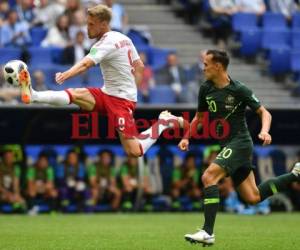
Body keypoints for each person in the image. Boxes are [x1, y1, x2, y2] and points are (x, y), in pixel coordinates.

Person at [18, 4, 182, 158]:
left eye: (91, 24)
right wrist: (133, 89)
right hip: (107, 93)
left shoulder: (106, 43)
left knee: (134, 151)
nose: (87, 28)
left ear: (103, 24)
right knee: (75, 95)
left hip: (121, 102)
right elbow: (139, 66)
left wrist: (65, 75)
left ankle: (163, 123)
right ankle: (33, 95)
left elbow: (85, 64)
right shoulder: (124, 38)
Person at [178, 50, 300, 246]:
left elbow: (264, 113)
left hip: (240, 143)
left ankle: (207, 231)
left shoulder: (239, 89)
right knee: (253, 197)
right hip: (228, 144)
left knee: (208, 177)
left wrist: (265, 131)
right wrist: (187, 137)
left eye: (206, 64)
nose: (203, 67)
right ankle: (295, 174)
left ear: (218, 66)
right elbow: (199, 118)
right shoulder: (205, 89)